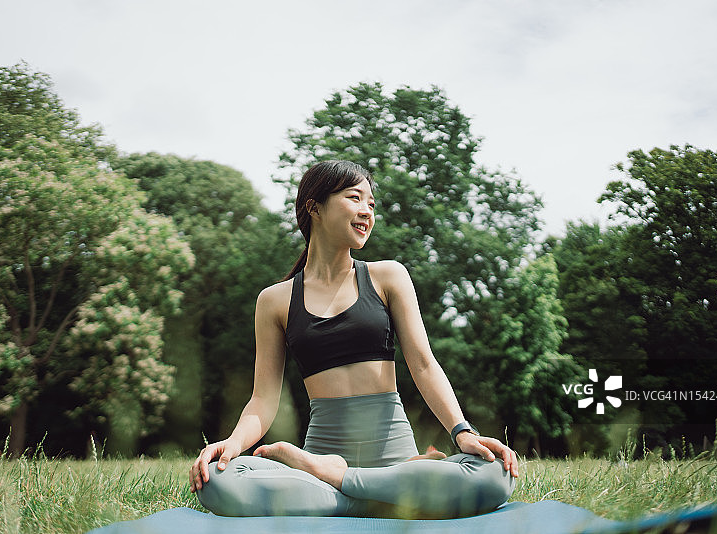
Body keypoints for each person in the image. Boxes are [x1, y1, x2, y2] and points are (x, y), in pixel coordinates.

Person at [189, 160, 518, 518]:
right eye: (354, 198)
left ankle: (343, 483)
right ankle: (384, 496)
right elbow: (264, 398)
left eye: (371, 204)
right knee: (219, 480)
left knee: (494, 474)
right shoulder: (275, 300)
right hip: (324, 464)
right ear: (314, 207)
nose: (367, 211)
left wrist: (462, 433)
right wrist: (232, 445)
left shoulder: (387, 277)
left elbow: (424, 365)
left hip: (391, 461)